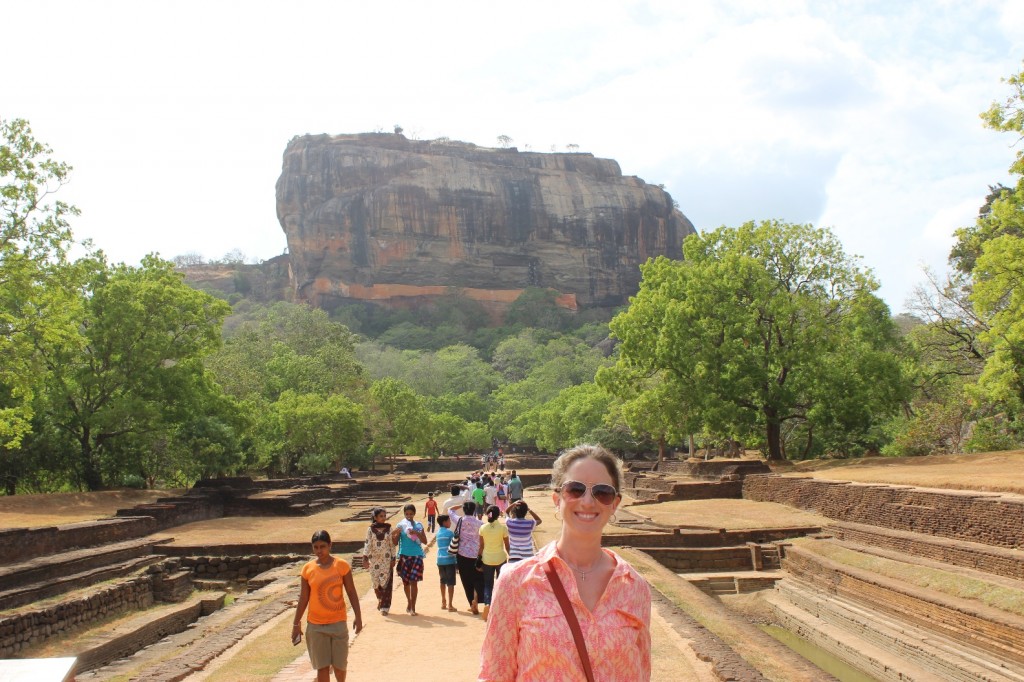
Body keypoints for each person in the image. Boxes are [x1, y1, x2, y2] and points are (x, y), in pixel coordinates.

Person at [479, 444, 652, 682]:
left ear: (615, 503)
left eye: (602, 492)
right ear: (557, 499)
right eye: (575, 489)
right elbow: (494, 675)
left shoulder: (634, 587)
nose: (588, 502)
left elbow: (641, 673)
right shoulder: (516, 582)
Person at [293, 530, 363, 682]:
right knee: (322, 668)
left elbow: (351, 592)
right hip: (316, 626)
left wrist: (358, 616)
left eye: (322, 546)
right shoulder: (308, 569)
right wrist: (296, 623)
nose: (319, 551)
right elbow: (304, 598)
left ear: (330, 545)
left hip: (338, 623)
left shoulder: (341, 566)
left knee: (340, 667)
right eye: (316, 547)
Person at [391, 503, 427, 615]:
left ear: (414, 514)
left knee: (414, 582)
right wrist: (396, 534)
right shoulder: (401, 525)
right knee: (406, 583)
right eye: (407, 514)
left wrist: (416, 532)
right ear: (404, 514)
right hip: (404, 556)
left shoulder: (419, 525)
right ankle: (409, 602)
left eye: (411, 514)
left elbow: (425, 541)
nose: (409, 516)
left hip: (416, 556)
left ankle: (413, 607)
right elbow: (395, 542)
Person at [360, 507, 396, 615]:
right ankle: (380, 599)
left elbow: (391, 544)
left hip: (386, 559)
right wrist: (365, 557)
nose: (384, 518)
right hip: (374, 559)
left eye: (384, 516)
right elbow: (368, 543)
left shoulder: (389, 529)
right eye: (381, 516)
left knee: (386, 582)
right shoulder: (370, 529)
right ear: (375, 517)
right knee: (376, 583)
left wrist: (393, 558)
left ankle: (385, 607)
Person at [478, 504, 509, 621]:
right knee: (501, 583)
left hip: (487, 559)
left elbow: (481, 546)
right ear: (498, 515)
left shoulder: (483, 528)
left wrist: (478, 559)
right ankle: (500, 606)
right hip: (500, 558)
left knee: (488, 584)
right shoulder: (503, 528)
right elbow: (507, 545)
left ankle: (487, 603)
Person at [454, 500, 485, 614]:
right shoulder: (480, 523)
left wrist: (459, 504)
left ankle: (471, 601)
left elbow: (450, 511)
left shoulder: (459, 520)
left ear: (464, 510)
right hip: (477, 554)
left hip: (462, 554)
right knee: (478, 578)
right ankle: (476, 599)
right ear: (474, 510)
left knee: (466, 580)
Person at [435, 513, 458, 611]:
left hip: (440, 559)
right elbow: (454, 547)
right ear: (444, 522)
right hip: (449, 559)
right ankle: (450, 604)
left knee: (442, 581)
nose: (450, 522)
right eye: (449, 521)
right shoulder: (449, 533)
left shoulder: (438, 533)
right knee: (451, 582)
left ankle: (443, 601)